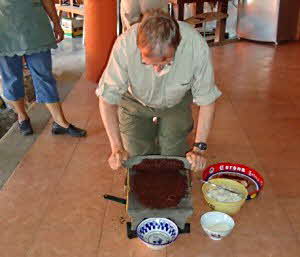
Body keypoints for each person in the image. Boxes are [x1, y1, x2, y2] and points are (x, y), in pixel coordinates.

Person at [96, 9, 221, 172]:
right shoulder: (125, 45)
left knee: (173, 160)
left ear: (178, 45)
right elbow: (107, 99)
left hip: (176, 103)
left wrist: (199, 148)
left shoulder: (194, 45)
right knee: (139, 162)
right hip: (134, 102)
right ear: (139, 46)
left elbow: (207, 100)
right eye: (149, 63)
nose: (157, 71)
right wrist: (116, 148)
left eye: (166, 63)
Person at [0, 0, 86, 137]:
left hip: (35, 29)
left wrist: (57, 23)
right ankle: (22, 117)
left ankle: (60, 122)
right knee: (11, 78)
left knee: (44, 76)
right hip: (4, 33)